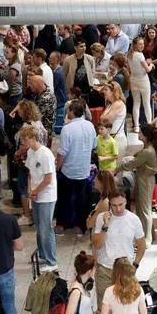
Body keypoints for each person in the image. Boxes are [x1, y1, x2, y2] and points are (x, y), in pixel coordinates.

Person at [91, 191, 148, 301]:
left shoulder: (134, 219)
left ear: (126, 202)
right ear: (109, 205)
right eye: (114, 205)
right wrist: (105, 226)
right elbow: (97, 245)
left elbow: (141, 244)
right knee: (103, 307)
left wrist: (135, 264)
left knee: (125, 305)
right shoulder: (101, 218)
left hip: (125, 269)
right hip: (105, 269)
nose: (118, 209)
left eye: (121, 204)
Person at [59, 100, 98, 235]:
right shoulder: (90, 126)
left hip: (68, 169)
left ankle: (66, 223)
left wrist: (58, 167)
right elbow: (94, 146)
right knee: (83, 199)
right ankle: (82, 225)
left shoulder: (67, 129)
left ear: (72, 111)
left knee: (66, 198)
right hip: (84, 169)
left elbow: (62, 152)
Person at [22, 125, 58, 269]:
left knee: (46, 229)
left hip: (46, 197)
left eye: (25, 139)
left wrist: (35, 192)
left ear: (33, 138)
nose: (23, 142)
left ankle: (52, 261)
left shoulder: (46, 154)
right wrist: (31, 190)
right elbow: (30, 173)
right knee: (39, 228)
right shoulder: (31, 152)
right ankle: (43, 254)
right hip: (36, 195)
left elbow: (48, 178)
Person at [119, 124, 157, 243]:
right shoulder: (147, 147)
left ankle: (147, 239)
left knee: (144, 210)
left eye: (141, 133)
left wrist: (117, 169)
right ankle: (149, 235)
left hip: (145, 180)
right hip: (143, 179)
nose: (138, 134)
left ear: (146, 136)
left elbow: (132, 164)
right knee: (143, 208)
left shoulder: (148, 151)